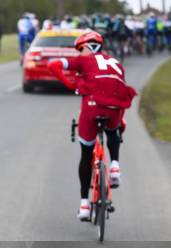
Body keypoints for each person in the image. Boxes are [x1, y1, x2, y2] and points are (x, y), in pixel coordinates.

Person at [48, 31, 137, 220]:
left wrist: (70, 83)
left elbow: (53, 65)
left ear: (90, 46)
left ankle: (84, 206)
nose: (79, 53)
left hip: (92, 108)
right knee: (113, 130)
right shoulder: (117, 63)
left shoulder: (82, 61)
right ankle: (114, 167)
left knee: (86, 154)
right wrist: (121, 119)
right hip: (115, 108)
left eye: (81, 49)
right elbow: (119, 91)